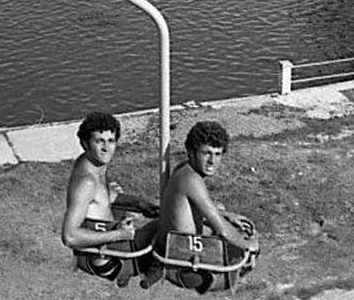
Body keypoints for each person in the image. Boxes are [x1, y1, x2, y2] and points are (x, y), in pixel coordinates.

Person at [154, 120, 259, 292]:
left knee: (220, 208)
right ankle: (211, 280)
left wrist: (227, 215)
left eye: (218, 154)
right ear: (191, 152)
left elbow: (203, 208)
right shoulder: (192, 180)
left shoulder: (184, 169)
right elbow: (223, 231)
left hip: (174, 243)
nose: (212, 161)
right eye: (207, 153)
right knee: (240, 244)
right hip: (182, 256)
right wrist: (249, 245)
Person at [61, 111, 157, 284]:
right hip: (109, 258)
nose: (106, 148)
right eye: (99, 141)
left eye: (111, 141)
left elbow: (104, 199)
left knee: (163, 215)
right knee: (168, 221)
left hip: (110, 246)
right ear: (85, 143)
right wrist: (118, 234)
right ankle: (151, 273)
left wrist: (140, 204)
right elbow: (69, 236)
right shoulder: (87, 182)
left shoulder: (92, 164)